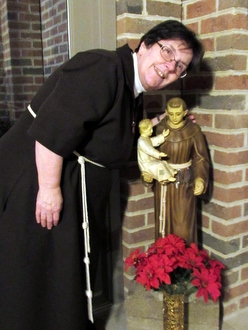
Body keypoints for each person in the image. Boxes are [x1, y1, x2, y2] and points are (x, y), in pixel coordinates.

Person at [0, 20, 204, 329]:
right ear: (146, 43)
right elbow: (51, 130)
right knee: (32, 276)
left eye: (179, 66)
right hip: (35, 181)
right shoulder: (103, 67)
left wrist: (156, 124)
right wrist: (49, 189)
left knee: (56, 278)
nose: (169, 66)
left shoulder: (130, 90)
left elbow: (109, 141)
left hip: (61, 183)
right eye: (167, 51)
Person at [154, 97, 209, 245]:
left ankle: (185, 265)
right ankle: (162, 264)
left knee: (183, 228)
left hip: (184, 184)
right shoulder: (159, 130)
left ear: (185, 112)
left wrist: (200, 179)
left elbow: (200, 158)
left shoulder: (193, 131)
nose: (174, 117)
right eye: (170, 113)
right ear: (166, 112)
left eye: (178, 113)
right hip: (164, 183)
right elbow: (150, 157)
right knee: (163, 226)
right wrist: (148, 174)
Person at [137, 119, 177, 184]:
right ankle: (165, 177)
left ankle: (171, 172)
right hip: (146, 164)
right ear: (144, 130)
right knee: (159, 165)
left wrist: (162, 136)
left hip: (150, 161)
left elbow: (154, 141)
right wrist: (158, 154)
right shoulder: (141, 141)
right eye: (150, 129)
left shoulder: (146, 138)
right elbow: (149, 149)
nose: (152, 131)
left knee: (163, 162)